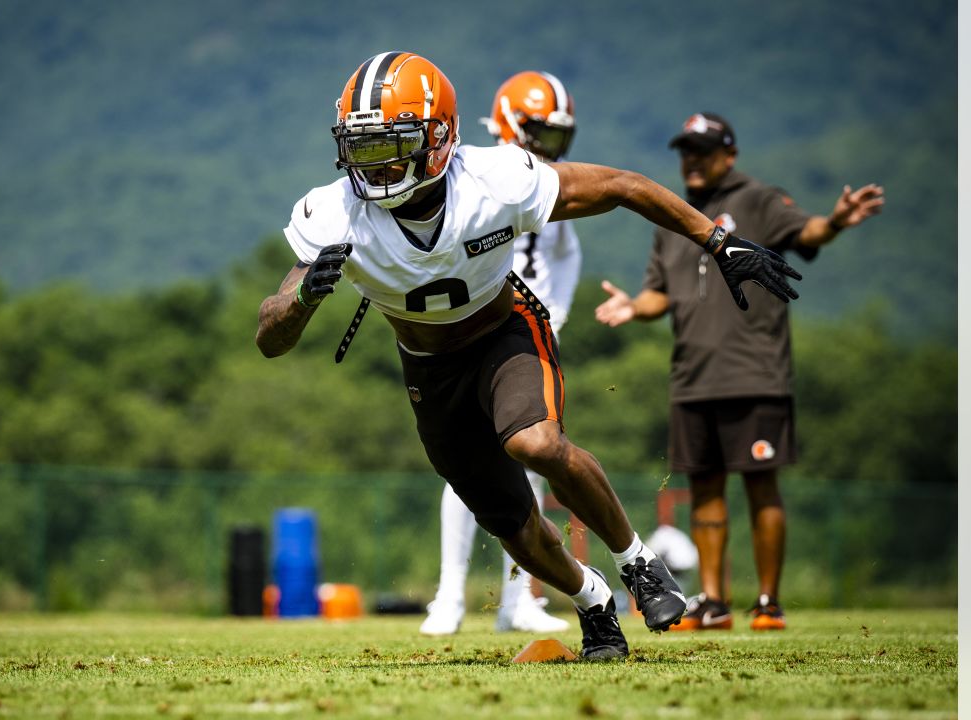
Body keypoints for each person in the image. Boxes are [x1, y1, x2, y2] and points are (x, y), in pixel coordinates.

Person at [256, 53, 802, 660]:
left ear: (439, 137)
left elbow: (624, 186)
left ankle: (638, 563)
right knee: (510, 520)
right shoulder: (333, 213)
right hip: (429, 370)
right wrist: (303, 297)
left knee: (534, 443)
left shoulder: (497, 180)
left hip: (504, 332)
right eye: (364, 148)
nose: (377, 164)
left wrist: (718, 242)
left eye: (393, 144)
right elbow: (270, 335)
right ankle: (593, 600)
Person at [594, 112, 884, 631]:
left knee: (760, 484)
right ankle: (713, 601)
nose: (691, 161)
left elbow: (808, 231)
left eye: (702, 151)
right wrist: (635, 307)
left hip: (755, 373)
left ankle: (769, 601)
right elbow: (661, 291)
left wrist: (836, 219)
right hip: (692, 376)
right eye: (685, 151)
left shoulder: (759, 199)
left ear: (729, 154)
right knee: (704, 490)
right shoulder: (674, 215)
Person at [420, 70, 580, 636]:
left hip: (519, 334)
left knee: (534, 456)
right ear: (511, 122)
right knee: (466, 471)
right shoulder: (477, 176)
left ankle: (518, 598)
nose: (549, 144)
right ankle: (449, 595)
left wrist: (553, 316)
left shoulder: (536, 183)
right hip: (467, 332)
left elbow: (564, 252)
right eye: (540, 129)